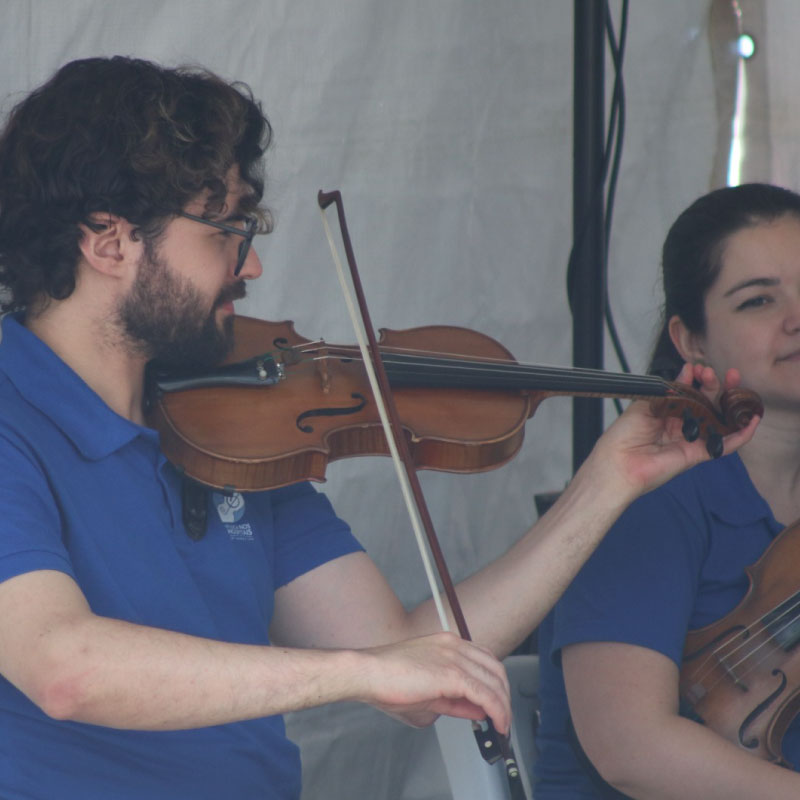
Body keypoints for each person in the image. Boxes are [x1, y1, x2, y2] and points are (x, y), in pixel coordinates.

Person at [0, 57, 755, 800]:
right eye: (225, 229)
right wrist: (359, 675)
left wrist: (606, 482)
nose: (252, 264)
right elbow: (64, 667)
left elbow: (407, 652)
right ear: (108, 242)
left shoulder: (229, 427)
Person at [533, 182, 800, 799]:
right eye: (758, 300)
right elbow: (631, 747)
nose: (795, 315)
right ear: (691, 341)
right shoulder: (646, 500)